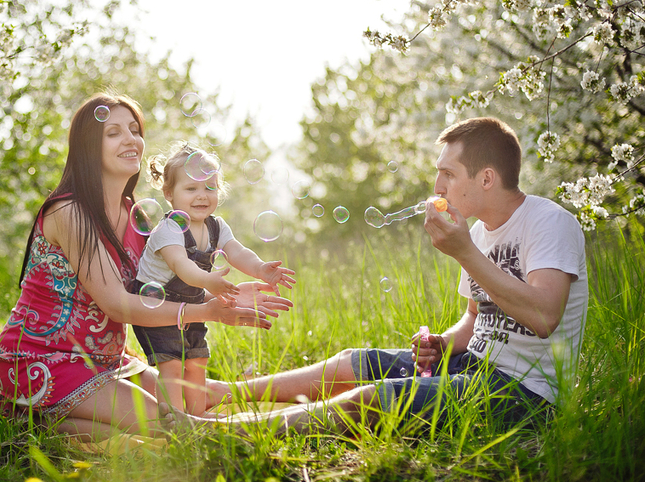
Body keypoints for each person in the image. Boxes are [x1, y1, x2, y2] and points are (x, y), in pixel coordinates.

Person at [164, 116, 589, 436]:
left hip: (525, 394)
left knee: (372, 400)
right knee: (352, 362)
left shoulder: (548, 223)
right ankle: (221, 395)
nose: (437, 185)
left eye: (449, 174)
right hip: (473, 364)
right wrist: (442, 342)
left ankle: (219, 430)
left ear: (487, 178)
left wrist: (465, 252)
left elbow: (544, 316)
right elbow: (475, 321)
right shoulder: (478, 230)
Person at [0, 93, 292, 441]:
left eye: (134, 129)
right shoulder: (69, 211)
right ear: (89, 146)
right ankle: (30, 419)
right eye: (114, 132)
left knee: (186, 405)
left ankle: (59, 420)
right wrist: (207, 312)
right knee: (167, 424)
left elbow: (157, 292)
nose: (131, 139)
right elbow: (118, 304)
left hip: (106, 361)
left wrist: (231, 294)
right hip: (42, 357)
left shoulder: (138, 218)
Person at [132, 143, 296, 416]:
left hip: (193, 304)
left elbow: (237, 252)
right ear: (169, 193)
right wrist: (208, 282)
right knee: (171, 364)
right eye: (191, 189)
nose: (202, 196)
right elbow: (181, 265)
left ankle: (199, 416)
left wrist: (260, 268)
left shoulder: (216, 226)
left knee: (197, 360)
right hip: (157, 306)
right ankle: (174, 418)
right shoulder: (169, 228)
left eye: (210, 187)